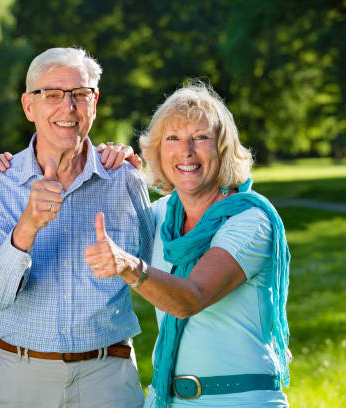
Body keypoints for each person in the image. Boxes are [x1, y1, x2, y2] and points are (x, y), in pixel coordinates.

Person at [84, 82, 291, 407]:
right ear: (157, 151)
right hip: (166, 398)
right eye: (173, 139)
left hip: (241, 399)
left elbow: (189, 299)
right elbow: (83, 242)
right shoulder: (157, 216)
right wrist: (107, 170)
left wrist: (130, 266)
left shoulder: (250, 219)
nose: (186, 151)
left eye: (201, 138)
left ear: (223, 148)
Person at [0, 47, 154, 408]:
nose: (67, 108)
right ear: (29, 106)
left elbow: (155, 270)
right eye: (52, 95)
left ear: (94, 102)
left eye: (79, 95)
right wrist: (28, 225)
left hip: (108, 376)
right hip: (18, 377)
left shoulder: (125, 178)